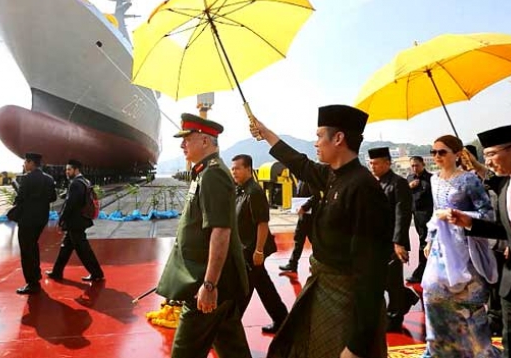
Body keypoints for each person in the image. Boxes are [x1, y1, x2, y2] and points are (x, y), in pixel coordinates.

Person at [251, 104, 391, 358]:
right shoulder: (333, 176)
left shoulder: (363, 188)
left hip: (346, 301)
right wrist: (267, 133)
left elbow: (371, 273)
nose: (315, 143)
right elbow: (299, 164)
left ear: (338, 138)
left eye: (318, 136)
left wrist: (357, 345)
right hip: (323, 288)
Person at [156, 113, 251, 358]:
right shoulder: (203, 172)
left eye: (187, 138)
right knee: (232, 347)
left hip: (207, 283)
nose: (182, 144)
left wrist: (209, 285)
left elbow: (220, 230)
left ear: (205, 142)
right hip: (217, 282)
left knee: (184, 352)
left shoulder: (213, 174)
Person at [420, 135, 498, 357]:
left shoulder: (469, 180)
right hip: (440, 251)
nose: (437, 156)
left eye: (442, 152)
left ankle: (478, 351)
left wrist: (459, 216)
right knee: (433, 298)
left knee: (468, 305)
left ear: (456, 154)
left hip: (465, 250)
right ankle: (439, 350)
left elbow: (488, 213)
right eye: (433, 152)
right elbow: (435, 212)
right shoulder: (434, 180)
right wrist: (429, 239)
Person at [448, 124, 511, 357]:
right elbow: (503, 229)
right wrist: (469, 223)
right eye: (485, 156)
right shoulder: (506, 187)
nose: (489, 162)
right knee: (510, 340)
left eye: (491, 155)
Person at [230, 154, 288, 334]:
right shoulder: (240, 190)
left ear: (248, 169)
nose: (234, 172)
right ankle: (282, 320)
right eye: (232, 169)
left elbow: (262, 223)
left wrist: (259, 250)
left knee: (243, 290)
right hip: (244, 248)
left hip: (253, 249)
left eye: (237, 168)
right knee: (263, 285)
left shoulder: (254, 192)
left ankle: (229, 330)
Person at [368, 147, 419, 331]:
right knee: (383, 279)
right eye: (370, 163)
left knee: (393, 281)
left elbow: (402, 214)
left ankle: (395, 317)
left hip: (393, 242)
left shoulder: (398, 183)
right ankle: (407, 298)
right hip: (377, 241)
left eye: (376, 163)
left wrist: (398, 243)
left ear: (387, 163)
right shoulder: (376, 183)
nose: (372, 166)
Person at [46, 159, 104, 282]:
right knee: (65, 247)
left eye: (69, 169)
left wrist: (62, 219)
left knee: (83, 250)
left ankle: (97, 273)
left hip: (75, 222)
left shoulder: (76, 183)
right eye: (66, 169)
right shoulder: (85, 181)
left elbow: (71, 204)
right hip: (79, 220)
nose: (67, 172)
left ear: (76, 170)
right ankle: (57, 271)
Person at [12, 152, 57, 295]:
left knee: (26, 250)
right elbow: (53, 197)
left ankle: (31, 282)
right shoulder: (49, 179)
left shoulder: (26, 179)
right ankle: (36, 274)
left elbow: (20, 198)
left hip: (27, 219)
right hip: (41, 219)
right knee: (33, 245)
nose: (24, 165)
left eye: (25, 162)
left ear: (31, 163)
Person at [279, 179, 318, 273]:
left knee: (315, 242)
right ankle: (293, 264)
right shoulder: (301, 180)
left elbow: (316, 196)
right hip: (303, 216)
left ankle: (319, 264)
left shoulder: (309, 179)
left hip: (311, 217)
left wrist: (304, 207)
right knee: (299, 239)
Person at [405, 156, 433, 284]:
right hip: (416, 217)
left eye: (417, 165)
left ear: (423, 165)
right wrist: (409, 187)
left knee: (426, 244)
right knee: (422, 242)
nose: (415, 168)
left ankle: (421, 272)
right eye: (412, 166)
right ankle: (424, 271)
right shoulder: (410, 179)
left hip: (429, 216)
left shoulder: (431, 179)